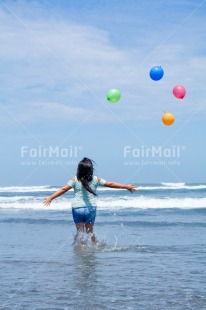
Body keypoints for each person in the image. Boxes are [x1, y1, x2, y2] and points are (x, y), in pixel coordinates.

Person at [44, 157, 136, 242]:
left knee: (80, 232)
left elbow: (63, 189)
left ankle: (80, 249)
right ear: (91, 170)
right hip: (90, 209)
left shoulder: (75, 179)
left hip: (77, 209)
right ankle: (94, 247)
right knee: (90, 231)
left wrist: (50, 198)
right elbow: (111, 184)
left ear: (79, 170)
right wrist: (126, 186)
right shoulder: (96, 179)